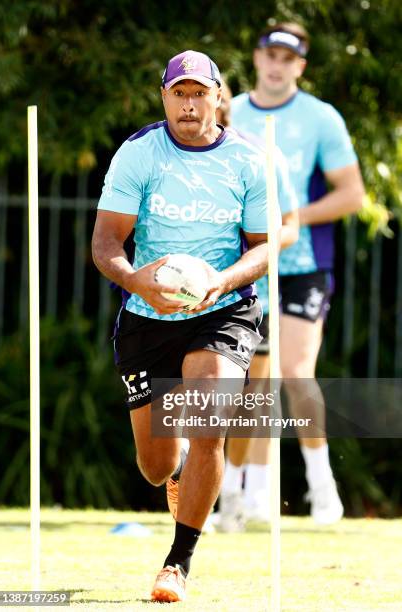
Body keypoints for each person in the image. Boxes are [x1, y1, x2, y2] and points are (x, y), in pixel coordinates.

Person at [92, 50, 276, 602]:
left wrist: (220, 283)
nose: (190, 104)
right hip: (148, 317)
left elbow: (264, 250)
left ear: (220, 96)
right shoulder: (138, 154)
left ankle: (178, 562)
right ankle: (179, 481)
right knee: (156, 465)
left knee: (207, 422)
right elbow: (106, 245)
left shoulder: (248, 160)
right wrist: (138, 282)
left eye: (201, 93)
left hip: (224, 309)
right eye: (180, 93)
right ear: (165, 97)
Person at [219, 22, 365, 529]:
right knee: (254, 384)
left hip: (303, 264)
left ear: (300, 65)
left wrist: (291, 214)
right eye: (270, 54)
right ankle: (242, 497)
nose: (277, 64)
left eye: (288, 57)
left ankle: (322, 487)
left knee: (296, 372)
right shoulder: (230, 111)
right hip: (251, 265)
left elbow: (353, 194)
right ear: (257, 57)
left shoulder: (321, 117)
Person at [211, 81, 299, 532]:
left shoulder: (259, 154)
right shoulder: (168, 155)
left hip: (253, 294)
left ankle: (232, 498)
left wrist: (257, 244)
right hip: (192, 298)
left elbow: (290, 227)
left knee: (249, 403)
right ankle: (201, 492)